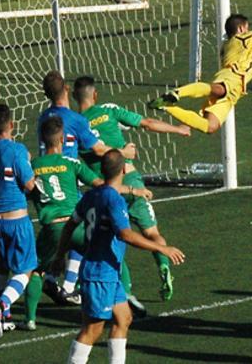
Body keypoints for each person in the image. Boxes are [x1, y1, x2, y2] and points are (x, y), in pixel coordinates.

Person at [54, 150, 185, 364]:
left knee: (123, 318)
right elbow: (124, 233)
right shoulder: (115, 200)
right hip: (99, 273)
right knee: (92, 330)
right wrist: (161, 248)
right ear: (124, 169)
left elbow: (70, 225)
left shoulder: (92, 194)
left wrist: (60, 256)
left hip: (107, 272)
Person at [74, 76, 189, 302]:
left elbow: (92, 151)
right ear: (95, 95)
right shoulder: (109, 110)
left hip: (106, 189)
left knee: (110, 239)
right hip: (131, 179)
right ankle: (163, 266)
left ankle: (121, 290)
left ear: (74, 97)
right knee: (152, 233)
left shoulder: (76, 125)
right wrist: (178, 130)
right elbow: (147, 123)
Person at [39, 71, 135, 302]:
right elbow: (99, 150)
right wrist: (123, 153)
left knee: (70, 234)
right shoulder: (74, 119)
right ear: (67, 90)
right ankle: (122, 295)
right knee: (92, 236)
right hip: (70, 177)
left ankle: (61, 283)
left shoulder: (44, 117)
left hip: (48, 179)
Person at [148, 9, 252, 134]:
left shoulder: (233, 44)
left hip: (236, 90)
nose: (249, 31)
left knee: (210, 127)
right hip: (232, 75)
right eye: (247, 28)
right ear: (241, 29)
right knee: (218, 90)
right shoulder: (242, 38)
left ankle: (166, 106)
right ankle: (178, 93)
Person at [23, 116, 104, 330]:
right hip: (75, 226)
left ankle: (30, 319)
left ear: (42, 138)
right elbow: (99, 184)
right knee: (106, 255)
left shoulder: (33, 166)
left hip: (51, 229)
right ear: (62, 141)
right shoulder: (71, 163)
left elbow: (25, 190)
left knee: (35, 270)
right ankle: (123, 301)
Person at [0, 103, 37, 338]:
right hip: (17, 220)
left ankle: (6, 317)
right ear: (12, 125)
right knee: (26, 270)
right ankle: (1, 305)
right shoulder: (17, 150)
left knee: (0, 267)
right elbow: (29, 184)